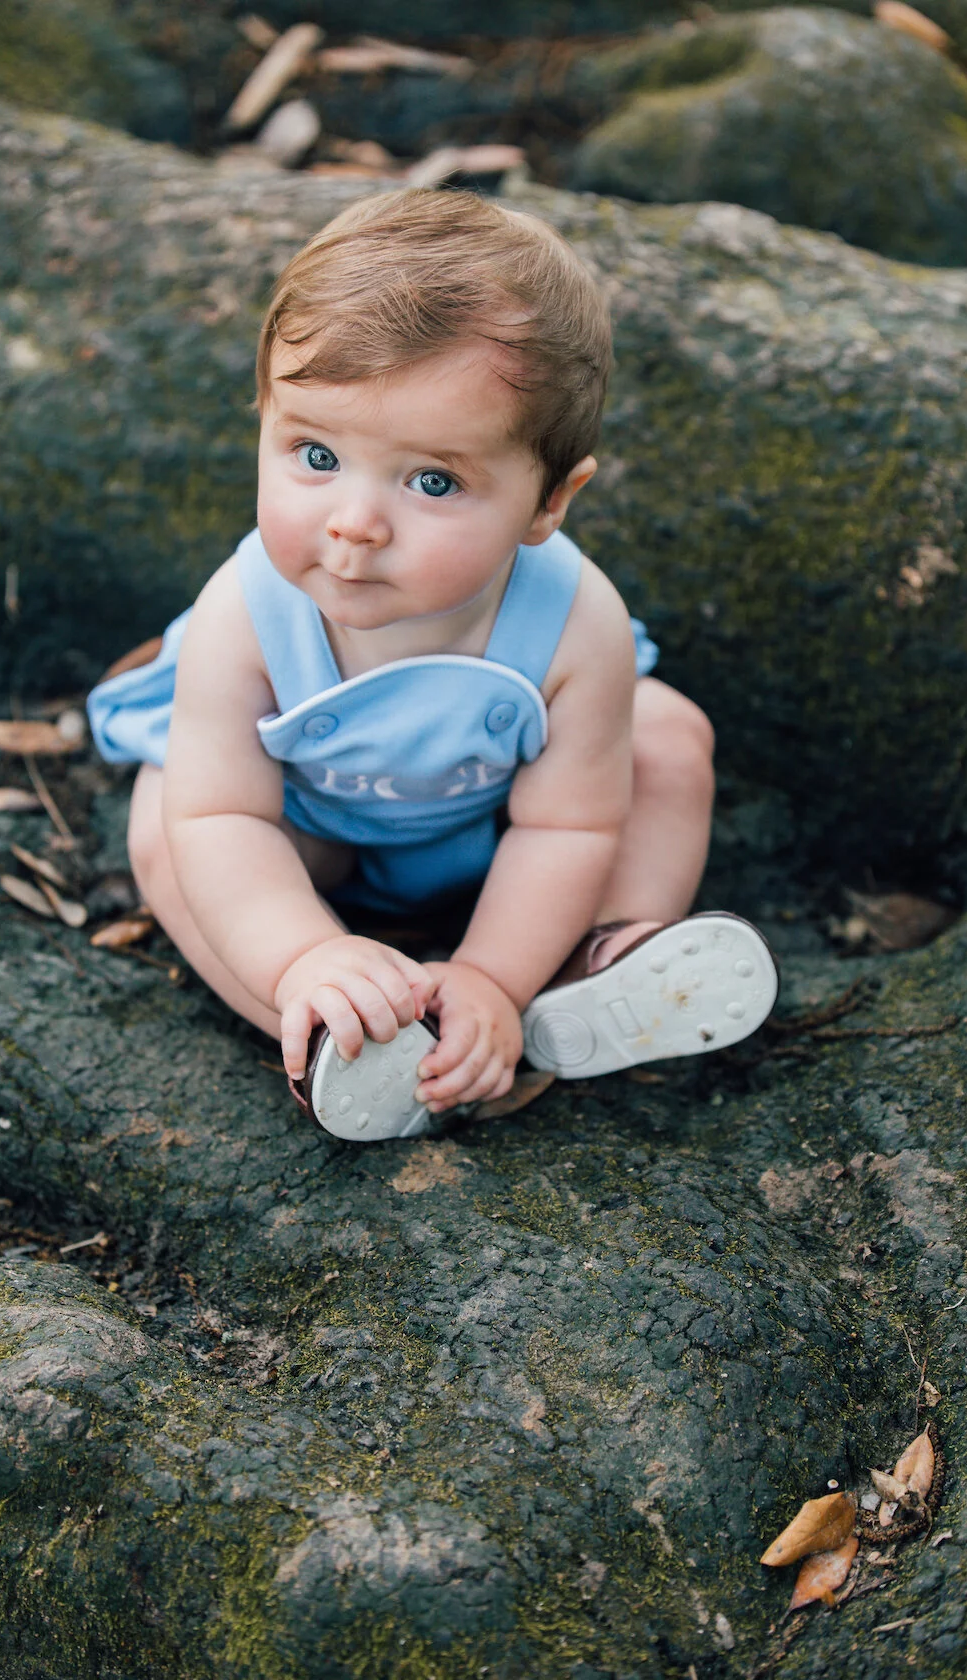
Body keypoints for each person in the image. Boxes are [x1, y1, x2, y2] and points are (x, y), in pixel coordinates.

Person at [87, 188, 777, 1143]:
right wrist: (302, 953)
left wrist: (493, 969)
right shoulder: (242, 615)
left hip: (500, 839)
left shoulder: (579, 625)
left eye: (433, 481)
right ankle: (339, 1031)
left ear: (548, 502)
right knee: (168, 826)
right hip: (309, 838)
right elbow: (223, 816)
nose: (355, 522)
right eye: (315, 453)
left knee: (667, 740)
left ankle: (590, 967)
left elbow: (568, 827)